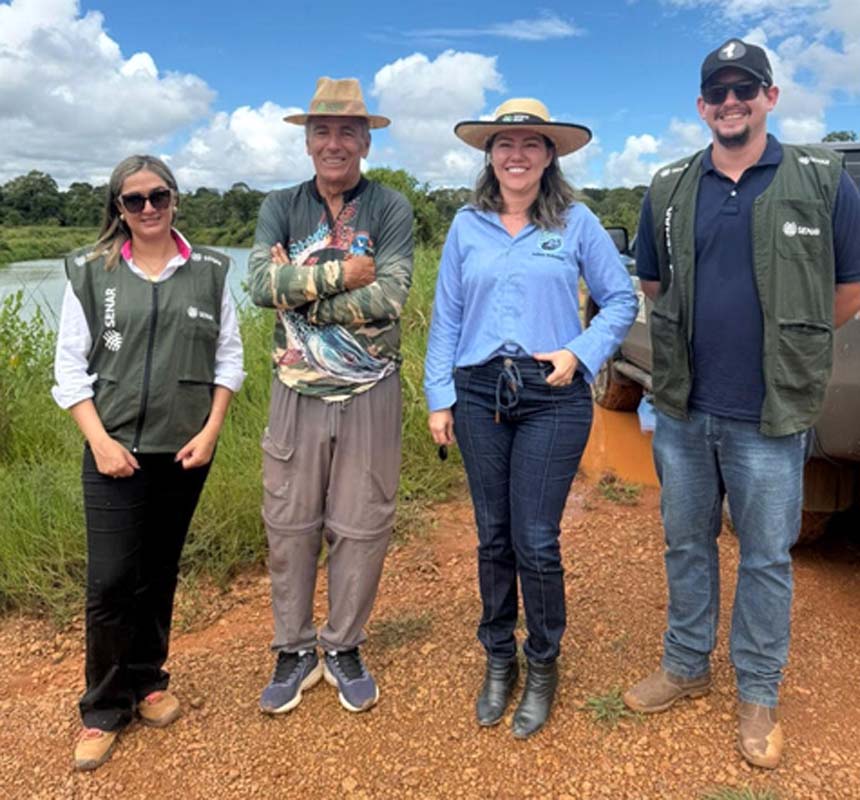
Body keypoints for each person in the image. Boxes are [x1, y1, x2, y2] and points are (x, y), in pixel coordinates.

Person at [622, 39, 860, 769]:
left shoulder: (822, 181)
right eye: (718, 92)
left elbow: (847, 291)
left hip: (770, 415)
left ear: (770, 96)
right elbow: (654, 285)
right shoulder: (666, 187)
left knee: (764, 558)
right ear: (702, 106)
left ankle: (758, 691)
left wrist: (788, 349)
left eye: (745, 88)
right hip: (686, 410)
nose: (732, 102)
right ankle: (687, 665)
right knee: (685, 542)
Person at [424, 98, 638, 738]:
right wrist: (440, 397)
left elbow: (620, 299)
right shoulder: (467, 225)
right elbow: (448, 318)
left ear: (550, 155)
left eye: (530, 144)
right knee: (492, 534)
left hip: (553, 391)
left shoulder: (576, 223)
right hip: (480, 390)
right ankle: (499, 658)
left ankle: (542, 662)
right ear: (490, 156)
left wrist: (582, 351)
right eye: (504, 144)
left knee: (535, 539)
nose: (516, 155)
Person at [52, 155, 245, 770]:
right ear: (118, 209)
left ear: (175, 198)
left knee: (159, 571)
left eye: (158, 195)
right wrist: (100, 441)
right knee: (111, 580)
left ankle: (149, 679)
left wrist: (212, 431)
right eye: (133, 200)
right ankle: (103, 707)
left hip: (184, 451)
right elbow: (68, 369)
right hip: (113, 452)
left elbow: (229, 361)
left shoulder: (212, 271)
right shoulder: (89, 272)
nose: (148, 208)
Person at [248, 77, 413, 715]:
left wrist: (302, 286)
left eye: (348, 131)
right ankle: (292, 647)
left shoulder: (391, 208)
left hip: (370, 388)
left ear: (366, 140)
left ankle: (343, 644)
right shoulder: (278, 205)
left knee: (363, 523)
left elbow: (391, 298)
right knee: (289, 524)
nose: (334, 143)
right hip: (295, 389)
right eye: (323, 131)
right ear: (308, 140)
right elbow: (261, 285)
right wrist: (344, 273)